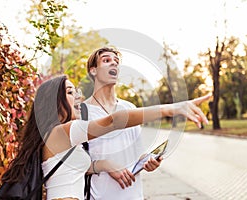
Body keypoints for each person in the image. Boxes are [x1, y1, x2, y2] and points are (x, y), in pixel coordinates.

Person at [0, 75, 210, 200]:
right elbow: (114, 121)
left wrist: (105, 164)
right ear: (55, 101)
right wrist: (171, 109)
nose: (78, 97)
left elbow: (71, 170)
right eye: (71, 92)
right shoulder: (62, 132)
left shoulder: (55, 137)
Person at [83, 46, 201, 199]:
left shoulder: (129, 108)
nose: (114, 64)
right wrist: (106, 166)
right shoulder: (82, 112)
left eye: (116, 61)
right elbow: (72, 165)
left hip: (133, 195)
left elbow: (138, 154)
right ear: (93, 71)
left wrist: (148, 162)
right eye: (106, 60)